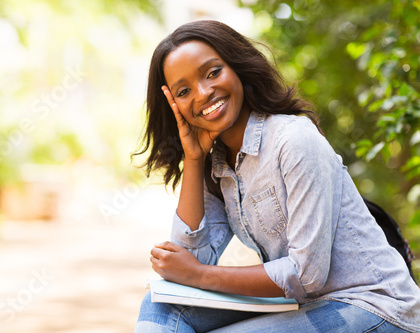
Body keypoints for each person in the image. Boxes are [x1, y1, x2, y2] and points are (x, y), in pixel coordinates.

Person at [132, 20, 420, 332]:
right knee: (163, 305)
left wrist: (199, 274)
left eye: (213, 72)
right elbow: (185, 264)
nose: (203, 93)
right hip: (306, 304)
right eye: (184, 91)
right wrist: (194, 158)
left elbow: (306, 274)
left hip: (374, 304)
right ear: (174, 105)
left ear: (237, 67)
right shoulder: (216, 164)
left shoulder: (292, 139)